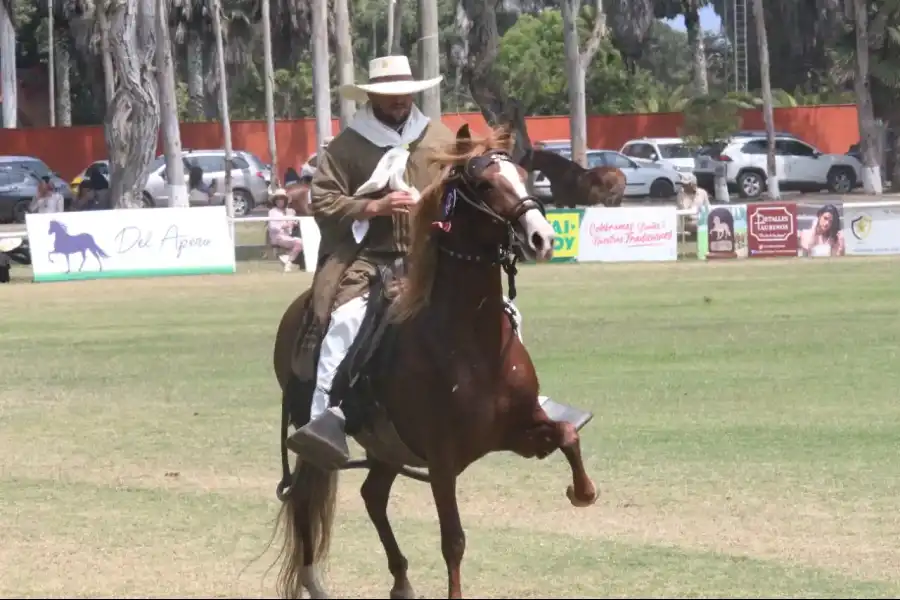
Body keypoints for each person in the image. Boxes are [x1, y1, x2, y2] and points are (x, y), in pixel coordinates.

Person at [287, 55, 532, 467]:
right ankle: (322, 418)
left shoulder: (439, 136)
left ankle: (521, 397)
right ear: (373, 97)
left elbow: (464, 189)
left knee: (506, 312)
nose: (399, 101)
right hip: (366, 256)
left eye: (404, 94)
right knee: (344, 320)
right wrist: (374, 207)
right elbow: (322, 199)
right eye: (389, 95)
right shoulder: (347, 145)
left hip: (431, 255)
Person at [267, 188, 303, 272]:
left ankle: (287, 260)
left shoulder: (290, 211)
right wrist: (286, 225)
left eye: (282, 199)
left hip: (287, 236)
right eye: (278, 199)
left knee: (301, 243)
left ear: (285, 200)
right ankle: (288, 261)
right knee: (299, 242)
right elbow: (273, 227)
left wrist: (294, 223)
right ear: (275, 201)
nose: (280, 201)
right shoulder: (273, 212)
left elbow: (291, 226)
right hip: (277, 237)